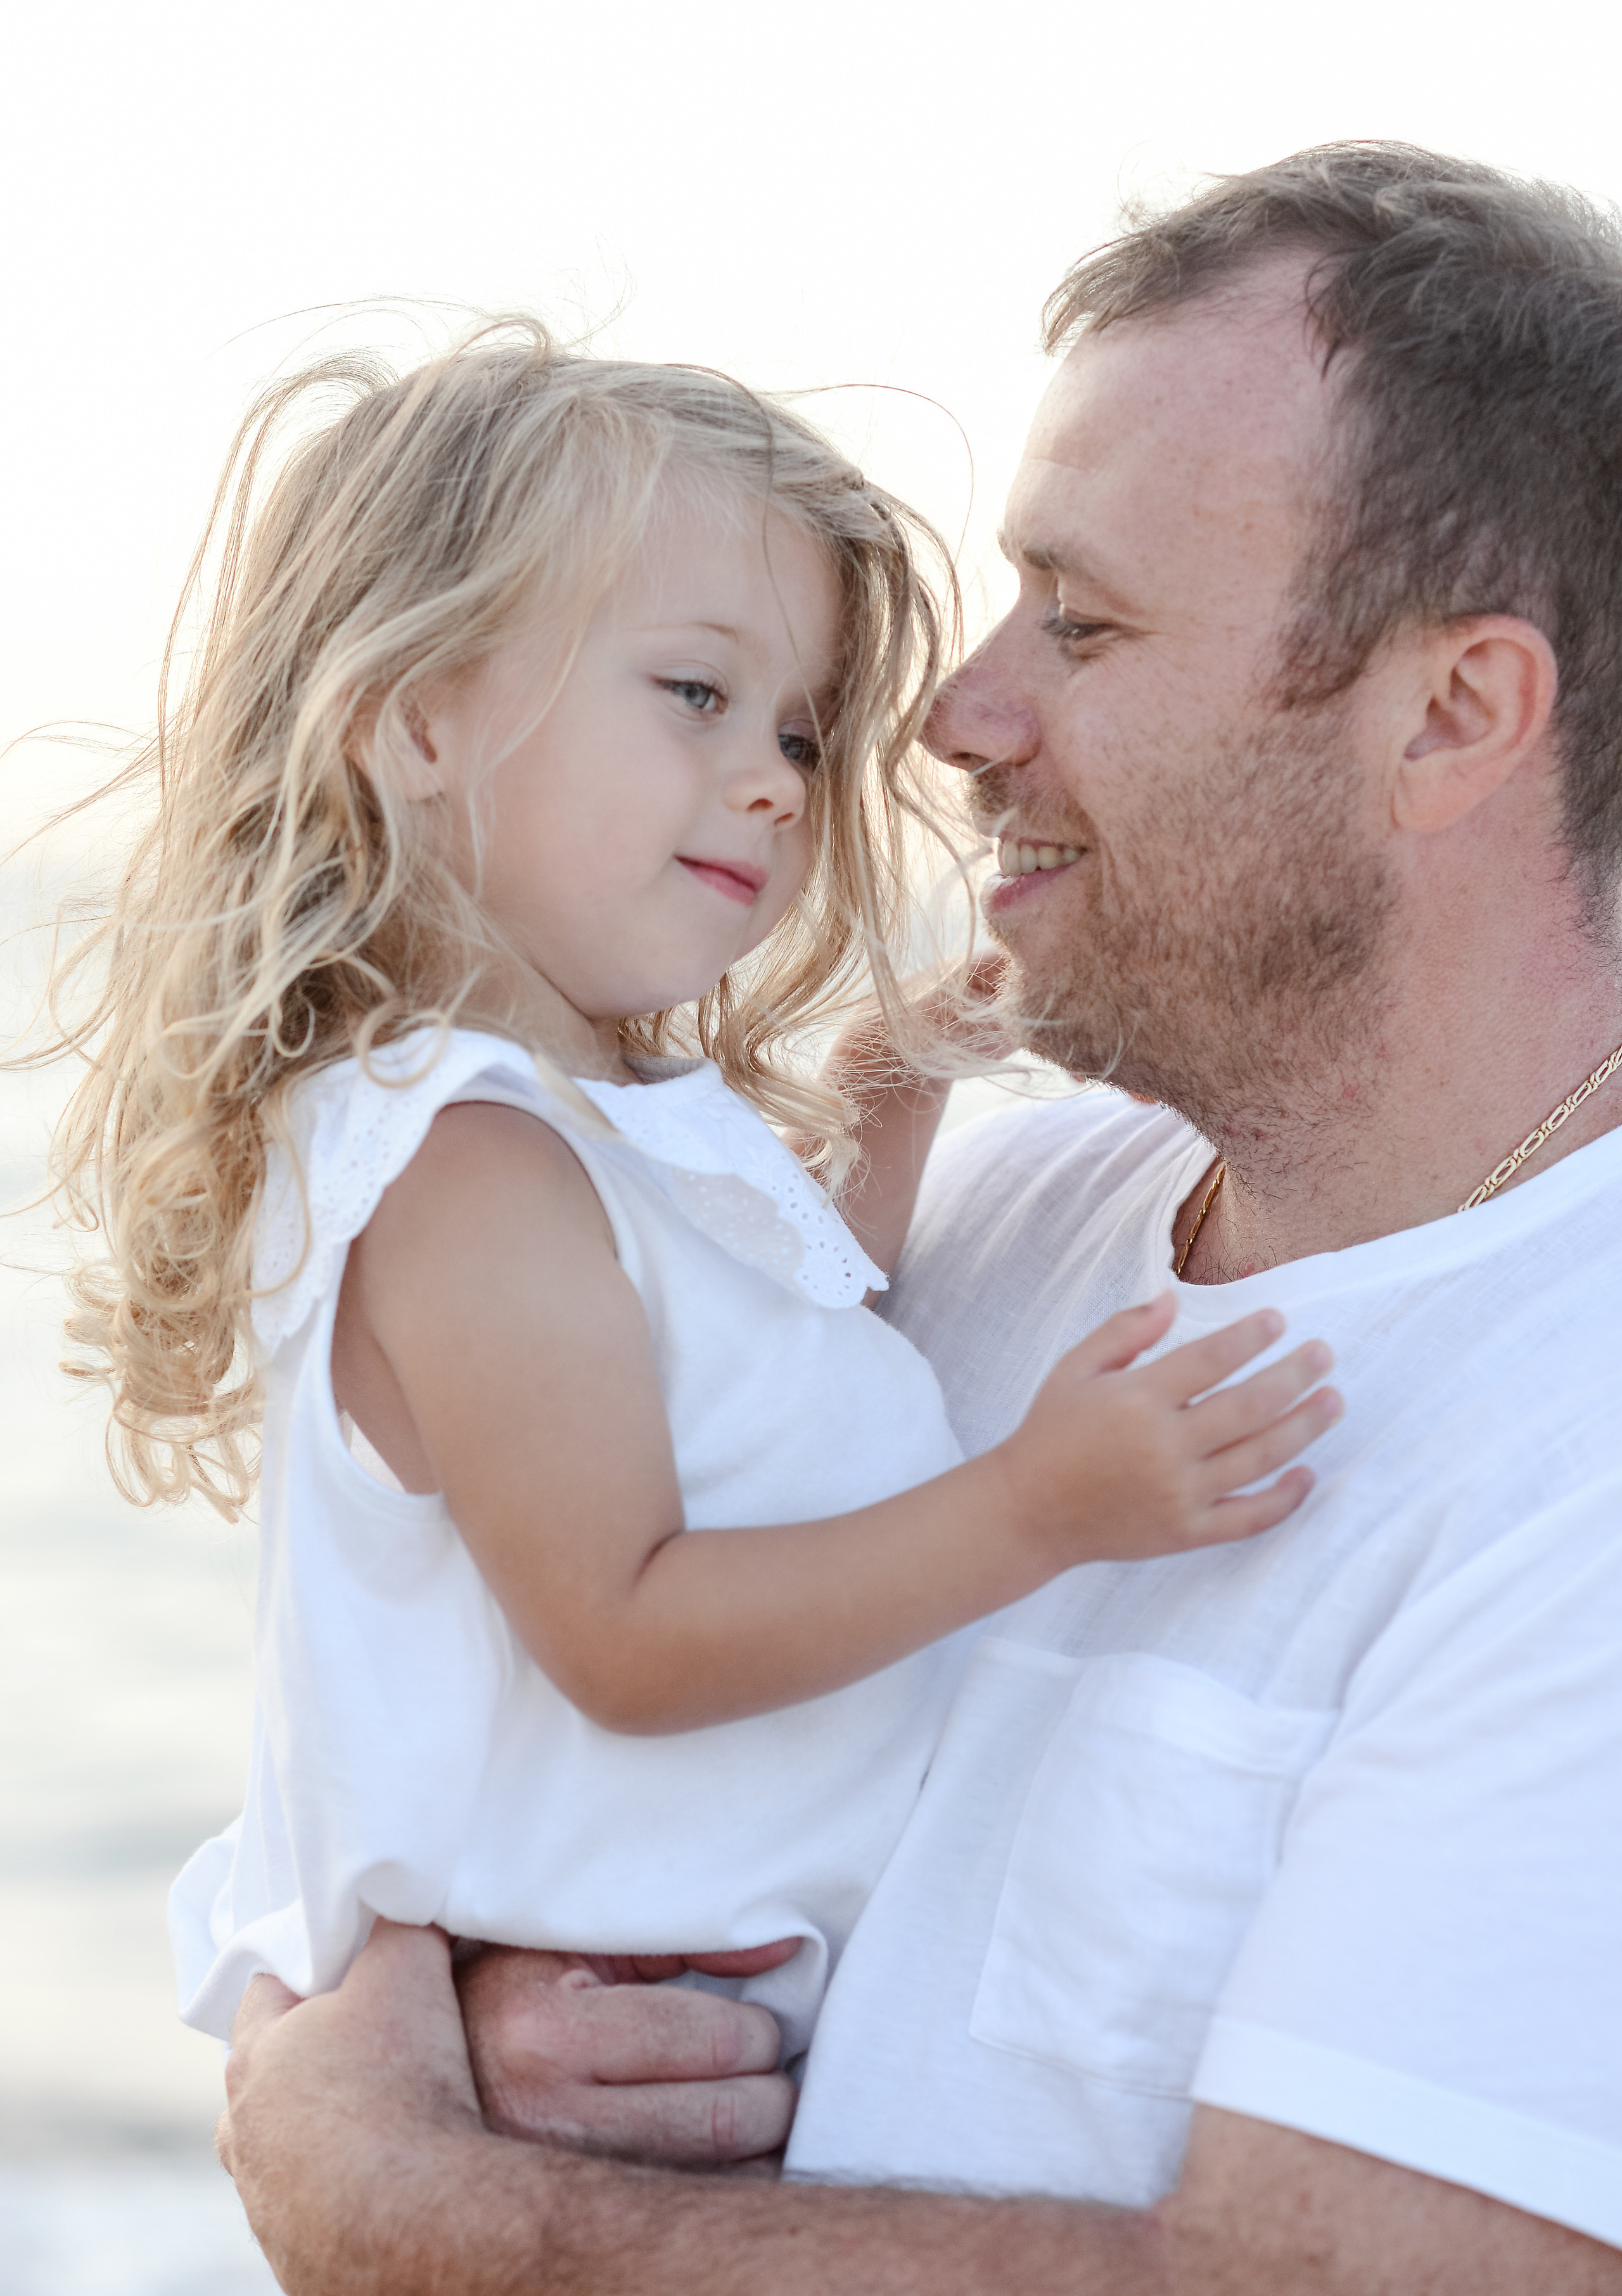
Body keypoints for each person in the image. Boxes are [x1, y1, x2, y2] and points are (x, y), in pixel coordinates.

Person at [217, 143, 1622, 2293]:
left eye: (1086, 616)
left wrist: (413, 2194)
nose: (948, 716)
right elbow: (439, 1704)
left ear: (1452, 713)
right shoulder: (999, 1210)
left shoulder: (1576, 1446)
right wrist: (494, 2008)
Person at [46, 329, 1336, 2063]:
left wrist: (881, 1101)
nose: (776, 781)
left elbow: (769, 1395)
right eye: (695, 694)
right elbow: (627, 1628)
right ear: (418, 717)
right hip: (627, 2029)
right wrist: (1039, 1506)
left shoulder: (614, 1116)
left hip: (727, 2004)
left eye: (802, 730)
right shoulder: (469, 1159)